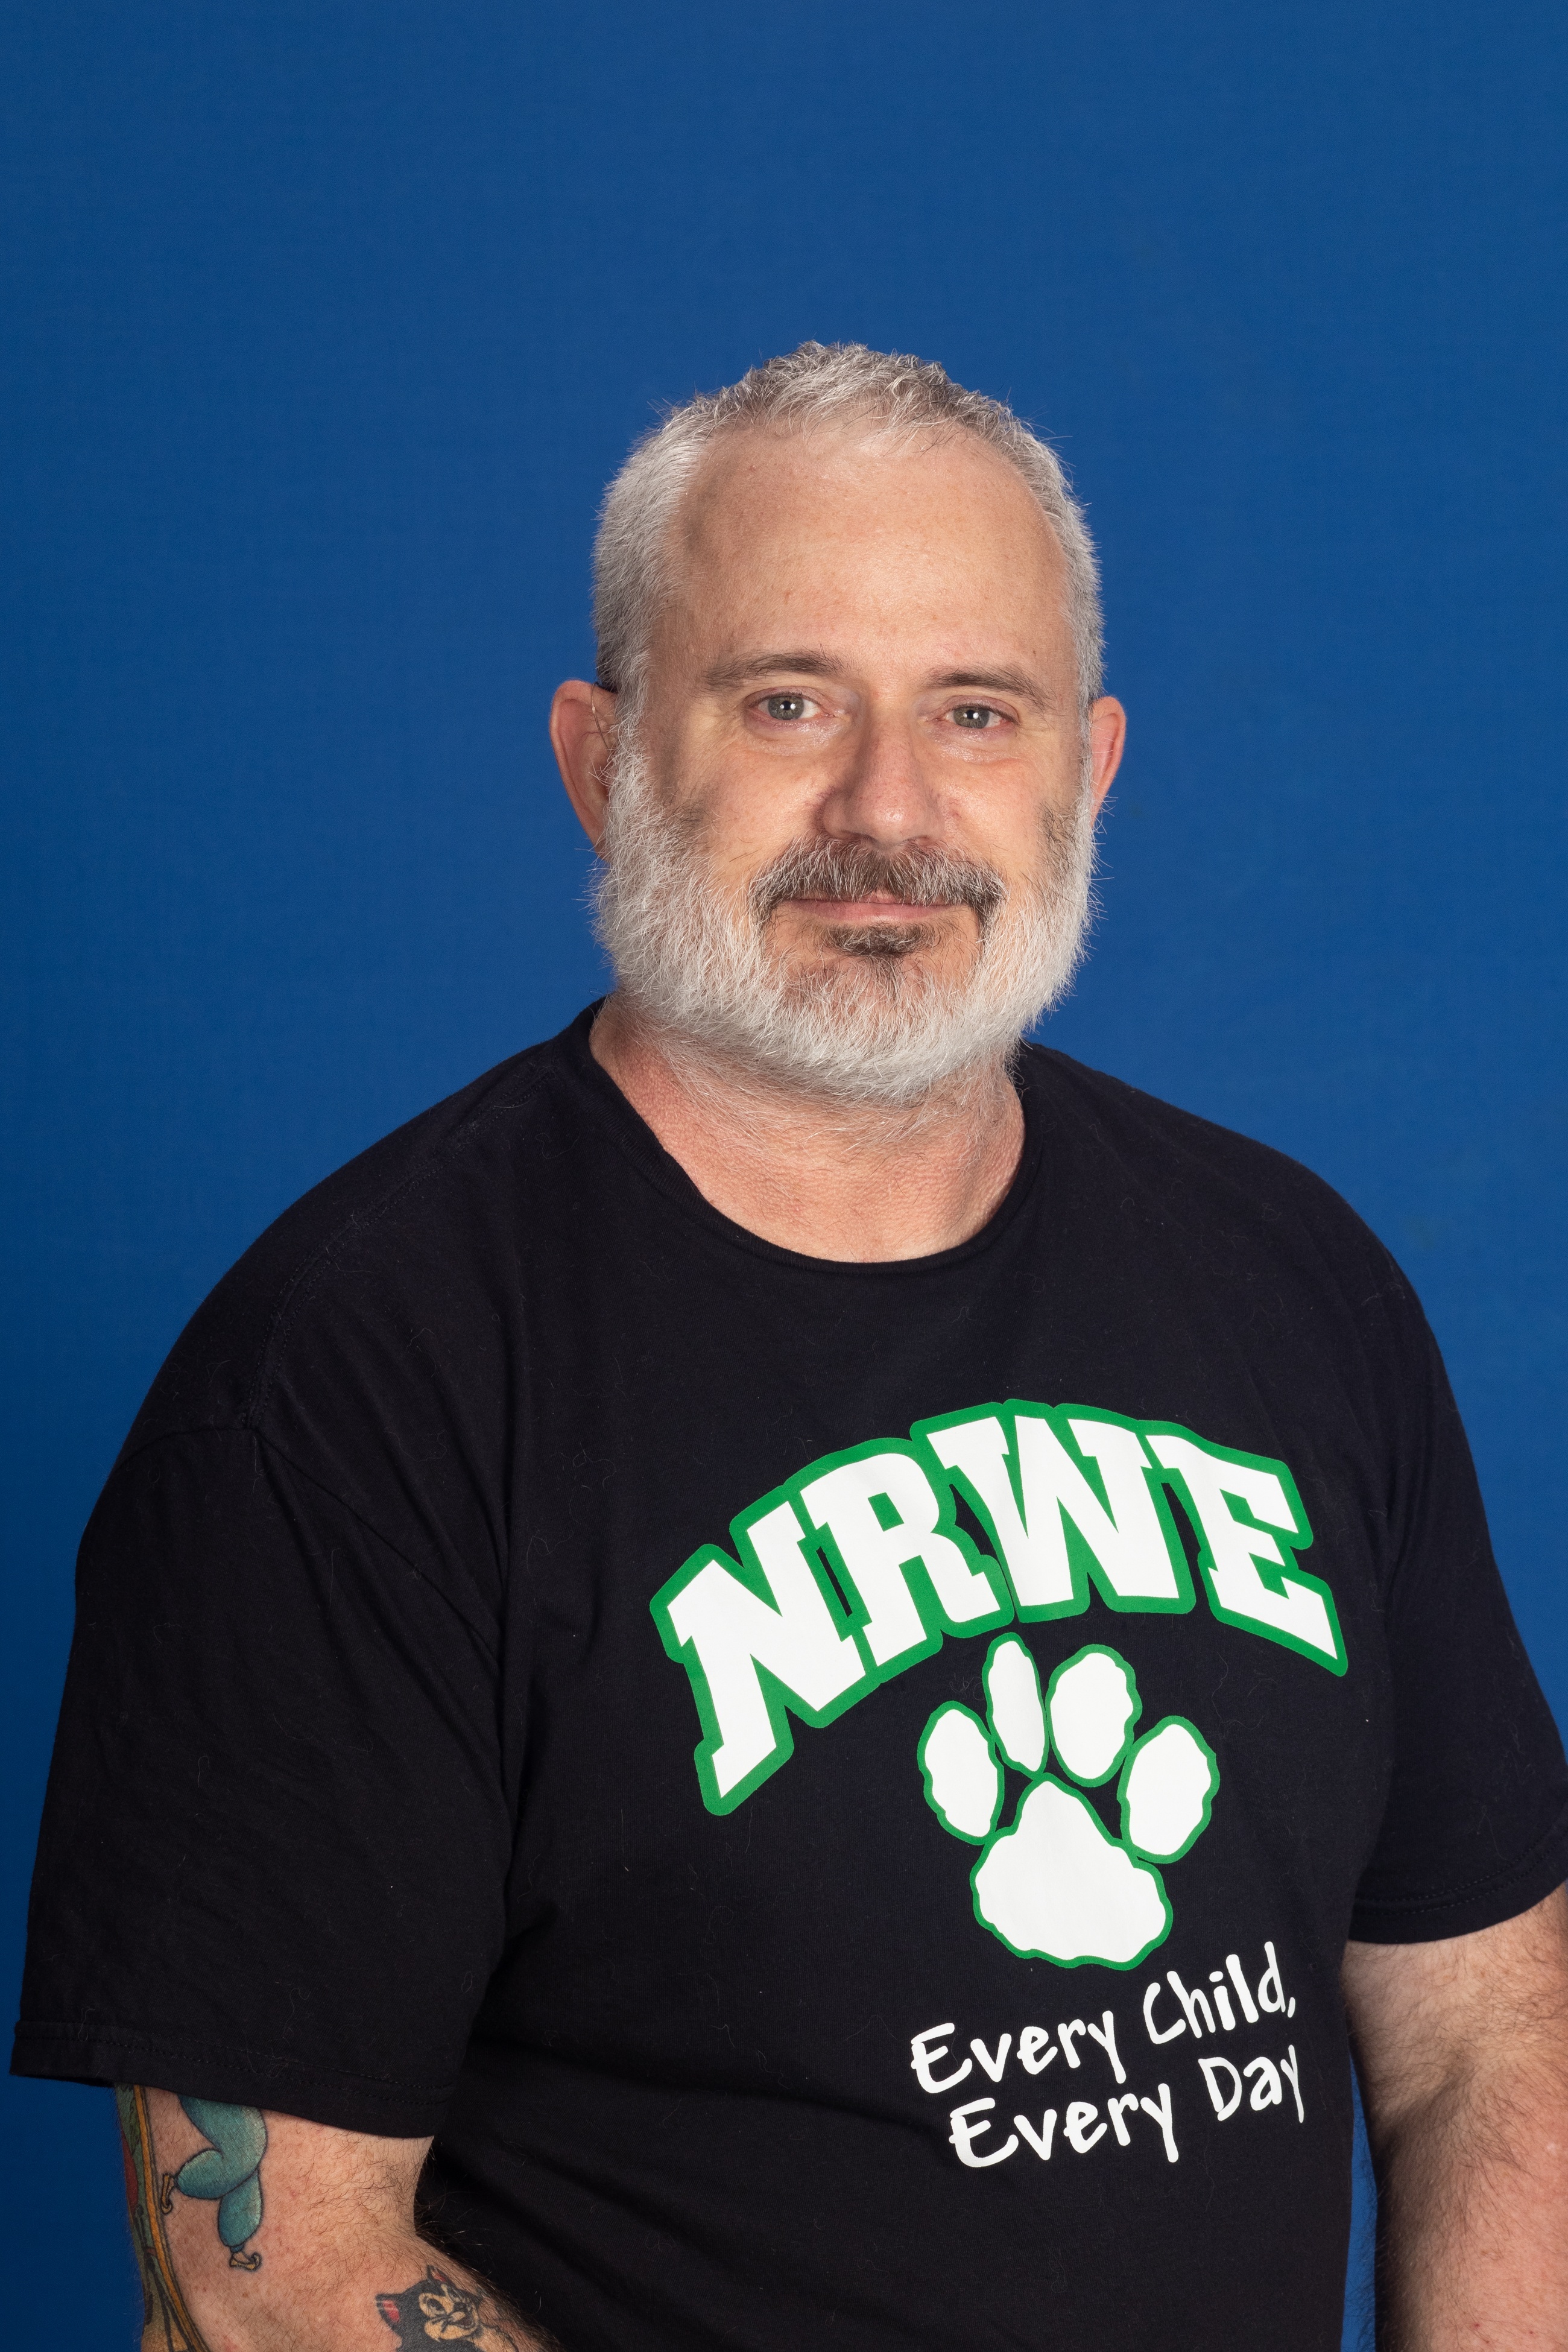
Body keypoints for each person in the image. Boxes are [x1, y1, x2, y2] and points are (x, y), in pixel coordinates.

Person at [13, 341, 1568, 2352]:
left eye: (975, 712)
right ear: (601, 760)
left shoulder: (1297, 1284)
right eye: (788, 702)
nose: (887, 810)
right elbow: (270, 2284)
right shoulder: (345, 1392)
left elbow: (1490, 2028)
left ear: (1089, 769)